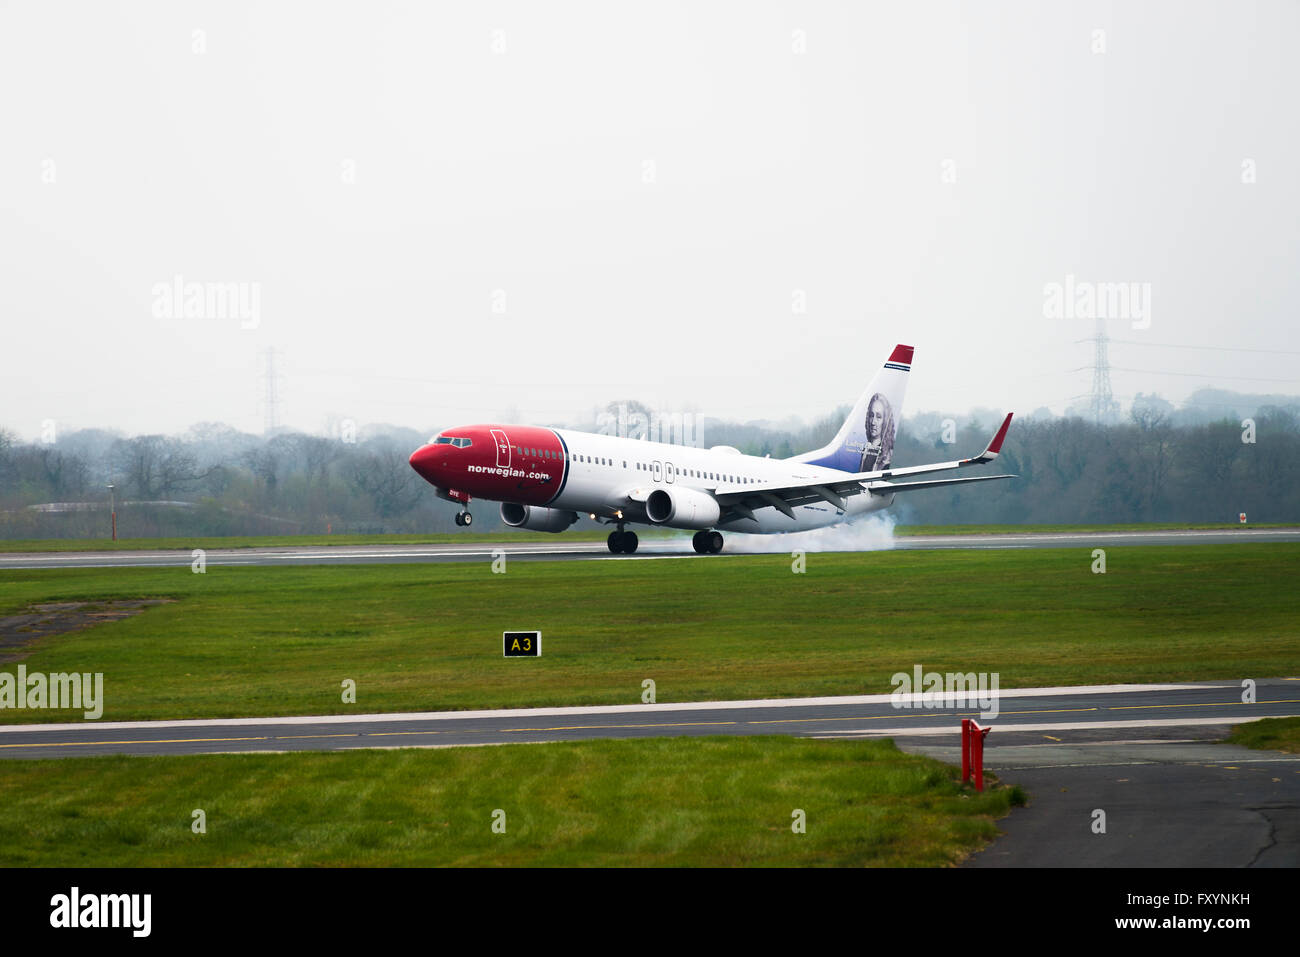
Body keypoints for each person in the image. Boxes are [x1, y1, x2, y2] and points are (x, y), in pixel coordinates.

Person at [859, 393, 894, 471]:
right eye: (871, 415)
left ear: (885, 421)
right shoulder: (866, 450)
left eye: (878, 417)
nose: (873, 422)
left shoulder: (886, 455)